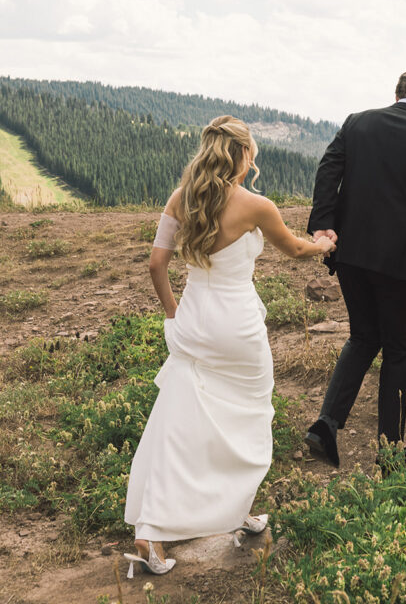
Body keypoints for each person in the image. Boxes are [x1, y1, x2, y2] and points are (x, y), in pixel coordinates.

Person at [124, 116, 335, 578]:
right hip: (237, 327)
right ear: (241, 154)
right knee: (250, 415)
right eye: (251, 151)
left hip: (195, 318)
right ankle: (234, 504)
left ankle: (153, 527)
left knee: (179, 421)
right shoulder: (256, 205)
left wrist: (172, 315)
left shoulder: (181, 199)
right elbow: (296, 250)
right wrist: (322, 243)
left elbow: (157, 264)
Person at [304, 69, 406, 468]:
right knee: (397, 349)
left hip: (350, 255)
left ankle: (326, 424)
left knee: (362, 337)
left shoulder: (357, 123)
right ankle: (390, 451)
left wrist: (324, 223)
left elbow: (328, 170)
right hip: (399, 263)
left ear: (397, 94)